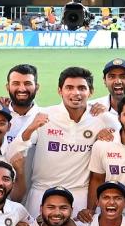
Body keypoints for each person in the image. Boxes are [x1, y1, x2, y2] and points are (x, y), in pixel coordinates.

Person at [13, 66, 119, 216]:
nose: (76, 93)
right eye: (69, 87)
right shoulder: (43, 115)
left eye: (82, 88)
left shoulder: (101, 117)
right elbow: (13, 152)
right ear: (60, 91)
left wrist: (110, 135)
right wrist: (30, 129)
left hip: (80, 196)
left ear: (91, 91)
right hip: (41, 194)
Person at [0, 64, 41, 147]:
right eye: (16, 83)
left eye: (28, 83)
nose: (22, 89)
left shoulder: (46, 117)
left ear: (36, 87)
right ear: (7, 87)